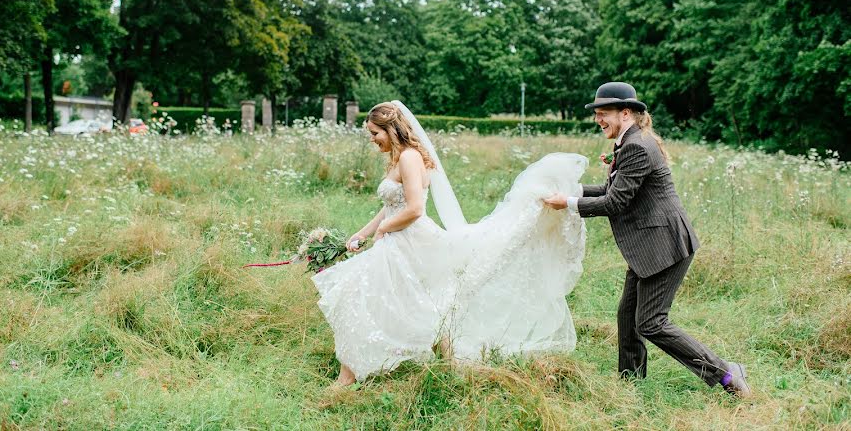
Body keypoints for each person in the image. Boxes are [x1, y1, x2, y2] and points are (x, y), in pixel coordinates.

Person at [312, 101, 587, 387]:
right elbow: (392, 205)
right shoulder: (400, 157)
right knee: (419, 300)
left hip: (408, 238)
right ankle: (447, 364)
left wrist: (384, 229)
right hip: (399, 236)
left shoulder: (408, 158)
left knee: (364, 295)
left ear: (390, 129)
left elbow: (415, 208)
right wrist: (362, 234)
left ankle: (349, 377)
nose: (372, 139)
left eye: (374, 133)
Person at [543, 82, 752, 398]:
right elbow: (612, 191)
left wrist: (568, 203)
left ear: (625, 113)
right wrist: (571, 190)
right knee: (627, 317)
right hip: (649, 248)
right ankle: (631, 388)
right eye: (597, 114)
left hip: (665, 247)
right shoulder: (630, 143)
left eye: (604, 114)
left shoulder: (637, 146)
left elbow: (614, 203)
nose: (599, 120)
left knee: (652, 322)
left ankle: (726, 375)